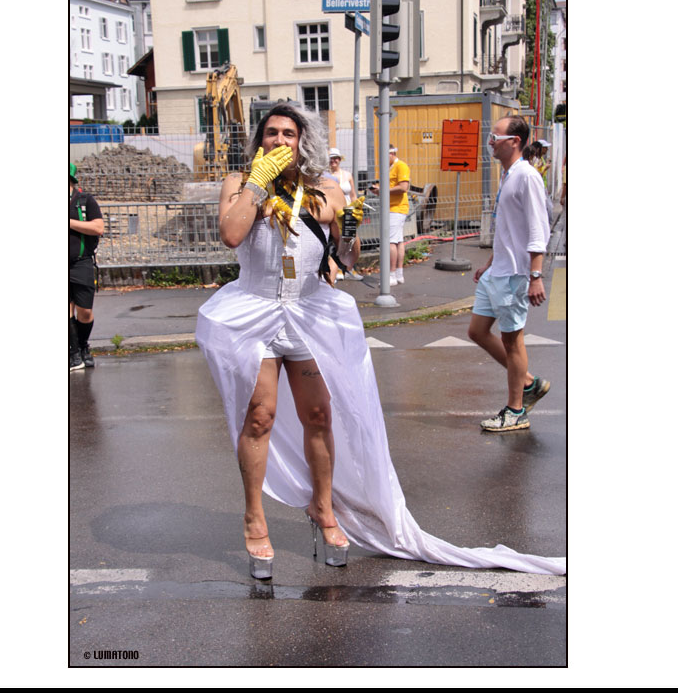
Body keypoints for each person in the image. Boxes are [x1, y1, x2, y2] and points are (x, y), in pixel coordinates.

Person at [196, 103, 565, 578]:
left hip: (308, 312)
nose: (280, 140)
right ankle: (254, 518)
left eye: (289, 133)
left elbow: (346, 255)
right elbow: (231, 234)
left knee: (319, 415)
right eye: (272, 133)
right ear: (259, 140)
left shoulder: (323, 187)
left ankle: (323, 507)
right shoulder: (238, 183)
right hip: (256, 313)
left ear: (302, 140)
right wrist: (258, 182)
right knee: (260, 416)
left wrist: (348, 231)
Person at [469, 116, 551, 431]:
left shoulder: (527, 176)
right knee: (477, 331)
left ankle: (516, 410)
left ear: (514, 141)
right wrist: (489, 262)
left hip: (516, 274)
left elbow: (537, 228)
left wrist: (535, 276)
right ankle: (528, 382)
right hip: (498, 270)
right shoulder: (508, 175)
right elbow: (509, 229)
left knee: (513, 341)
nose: (490, 142)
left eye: (495, 137)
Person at [69, 162, 104, 371]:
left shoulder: (85, 201)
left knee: (85, 312)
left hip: (81, 262)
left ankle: (82, 346)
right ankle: (73, 353)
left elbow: (98, 227)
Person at [370, 145, 410, 286]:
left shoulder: (401, 166)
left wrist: (383, 190)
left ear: (392, 154)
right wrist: (379, 190)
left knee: (390, 241)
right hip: (392, 207)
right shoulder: (389, 168)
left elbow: (403, 187)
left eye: (384, 155)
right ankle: (399, 274)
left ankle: (391, 275)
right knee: (398, 241)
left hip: (396, 208)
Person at [327, 147, 362, 281]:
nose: (334, 160)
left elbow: (353, 195)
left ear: (340, 159)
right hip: (334, 214)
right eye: (331, 158)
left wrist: (357, 209)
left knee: (351, 241)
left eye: (336, 158)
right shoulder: (325, 176)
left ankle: (349, 268)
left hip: (348, 214)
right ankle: (335, 271)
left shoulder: (347, 175)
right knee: (335, 242)